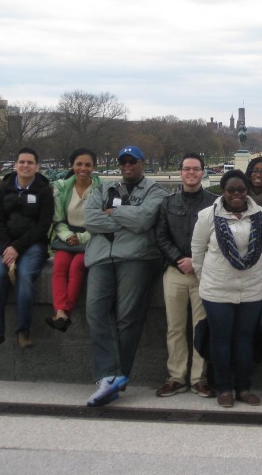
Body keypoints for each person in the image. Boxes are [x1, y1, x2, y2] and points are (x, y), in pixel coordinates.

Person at [83, 145, 166, 407]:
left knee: (128, 317)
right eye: (123, 162)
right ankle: (111, 376)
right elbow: (90, 220)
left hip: (136, 257)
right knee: (95, 312)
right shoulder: (103, 188)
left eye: (132, 161)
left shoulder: (155, 190)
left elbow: (144, 221)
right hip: (101, 257)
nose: (127, 166)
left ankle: (111, 377)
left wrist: (113, 212)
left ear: (142, 163)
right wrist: (127, 220)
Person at [192, 170, 262, 408]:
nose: (237, 194)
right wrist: (208, 280)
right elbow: (197, 253)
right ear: (223, 191)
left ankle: (243, 387)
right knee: (220, 340)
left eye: (241, 190)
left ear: (247, 190)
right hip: (217, 290)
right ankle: (224, 388)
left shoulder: (261, 214)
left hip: (251, 290)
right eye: (231, 190)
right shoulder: (207, 216)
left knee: (245, 340)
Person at [154, 152, 217, 398]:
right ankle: (176, 377)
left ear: (203, 172)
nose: (191, 173)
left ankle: (199, 378)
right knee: (175, 327)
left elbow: (218, 239)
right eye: (187, 169)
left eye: (196, 169)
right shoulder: (167, 203)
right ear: (180, 173)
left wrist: (195, 261)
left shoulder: (215, 203)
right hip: (175, 271)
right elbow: (160, 236)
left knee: (201, 327)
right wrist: (179, 259)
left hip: (204, 273)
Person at [0, 148, 54, 353]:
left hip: (34, 245)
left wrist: (17, 248)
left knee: (24, 277)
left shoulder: (44, 191)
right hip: (6, 245)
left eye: (30, 162)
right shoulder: (3, 189)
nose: (25, 165)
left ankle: (23, 331)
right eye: (22, 162)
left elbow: (43, 226)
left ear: (37, 167)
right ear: (15, 165)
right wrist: (7, 248)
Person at [46, 147, 100, 333]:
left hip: (91, 237)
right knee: (60, 265)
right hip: (67, 236)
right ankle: (61, 312)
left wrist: (81, 237)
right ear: (72, 165)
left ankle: (63, 313)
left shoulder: (102, 189)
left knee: (77, 266)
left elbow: (102, 221)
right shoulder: (62, 187)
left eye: (88, 165)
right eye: (79, 164)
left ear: (93, 167)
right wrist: (69, 236)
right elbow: (58, 219)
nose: (83, 168)